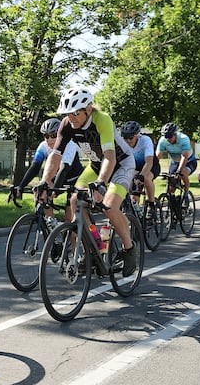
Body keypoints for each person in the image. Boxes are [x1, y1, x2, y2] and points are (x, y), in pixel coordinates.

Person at [38, 87, 139, 276]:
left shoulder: (103, 120)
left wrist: (101, 182)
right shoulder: (67, 125)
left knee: (109, 205)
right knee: (76, 200)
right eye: (68, 113)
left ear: (89, 109)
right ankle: (94, 248)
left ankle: (129, 248)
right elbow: (56, 155)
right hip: (95, 165)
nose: (72, 117)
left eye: (76, 112)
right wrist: (45, 181)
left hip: (121, 164)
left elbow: (110, 156)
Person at [12, 118, 83, 224]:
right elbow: (35, 167)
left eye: (53, 135)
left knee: (70, 220)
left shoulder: (69, 145)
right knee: (42, 191)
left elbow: (63, 169)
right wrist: (21, 187)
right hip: (58, 176)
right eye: (46, 136)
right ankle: (51, 224)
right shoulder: (43, 146)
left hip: (73, 178)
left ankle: (73, 237)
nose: (49, 139)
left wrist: (54, 191)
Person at [120, 121, 158, 210]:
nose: (128, 141)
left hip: (151, 166)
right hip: (136, 168)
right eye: (125, 138)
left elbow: (149, 162)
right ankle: (137, 218)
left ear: (137, 136)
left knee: (146, 178)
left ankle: (152, 206)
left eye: (130, 137)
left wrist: (141, 176)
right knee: (134, 198)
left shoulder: (145, 140)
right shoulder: (123, 143)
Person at [155, 122, 197, 201]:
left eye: (170, 136)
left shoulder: (183, 139)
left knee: (183, 173)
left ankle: (186, 194)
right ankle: (173, 204)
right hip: (175, 162)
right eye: (166, 136)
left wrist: (178, 171)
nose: (168, 139)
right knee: (171, 186)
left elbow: (184, 157)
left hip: (189, 161)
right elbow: (157, 156)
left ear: (175, 134)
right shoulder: (163, 141)